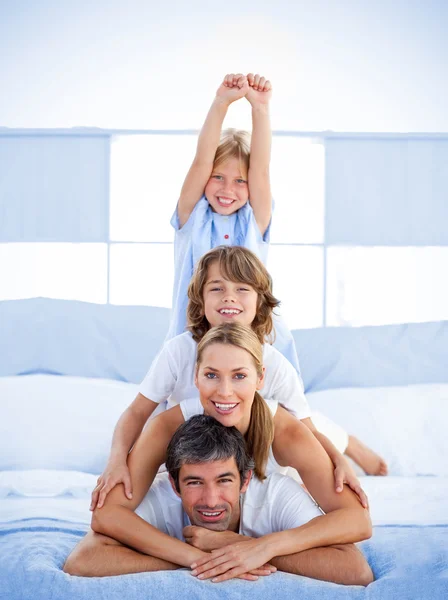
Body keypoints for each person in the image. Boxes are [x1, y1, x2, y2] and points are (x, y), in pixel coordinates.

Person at [91, 246, 387, 512]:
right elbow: (136, 412)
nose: (229, 296)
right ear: (201, 299)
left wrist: (339, 460)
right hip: (199, 456)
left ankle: (349, 443)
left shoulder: (275, 365)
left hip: (255, 458)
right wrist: (116, 460)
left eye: (242, 288)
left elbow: (307, 432)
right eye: (216, 288)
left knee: (298, 426)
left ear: (260, 301)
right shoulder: (179, 352)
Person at [82, 322, 371, 582]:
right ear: (195, 378)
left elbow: (357, 520)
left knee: (319, 436)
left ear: (260, 380)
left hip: (278, 495)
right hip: (201, 514)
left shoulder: (286, 436)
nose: (224, 392)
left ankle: (349, 443)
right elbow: (107, 515)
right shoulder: (166, 429)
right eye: (211, 375)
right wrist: (195, 556)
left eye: (239, 376)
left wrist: (258, 546)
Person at [64, 415, 374, 586]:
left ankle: (350, 444)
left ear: (245, 480)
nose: (211, 500)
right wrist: (196, 556)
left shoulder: (276, 493)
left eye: (224, 481)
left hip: (288, 422)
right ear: (174, 484)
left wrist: (242, 547)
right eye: (194, 482)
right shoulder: (158, 492)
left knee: (316, 427)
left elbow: (356, 570)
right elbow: (83, 560)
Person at [168, 71, 300, 371]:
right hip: (195, 338)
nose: (228, 189)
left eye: (240, 180)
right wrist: (221, 102)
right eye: (218, 177)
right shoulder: (192, 218)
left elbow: (261, 169)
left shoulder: (254, 220)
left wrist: (260, 109)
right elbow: (201, 160)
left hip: (252, 342)